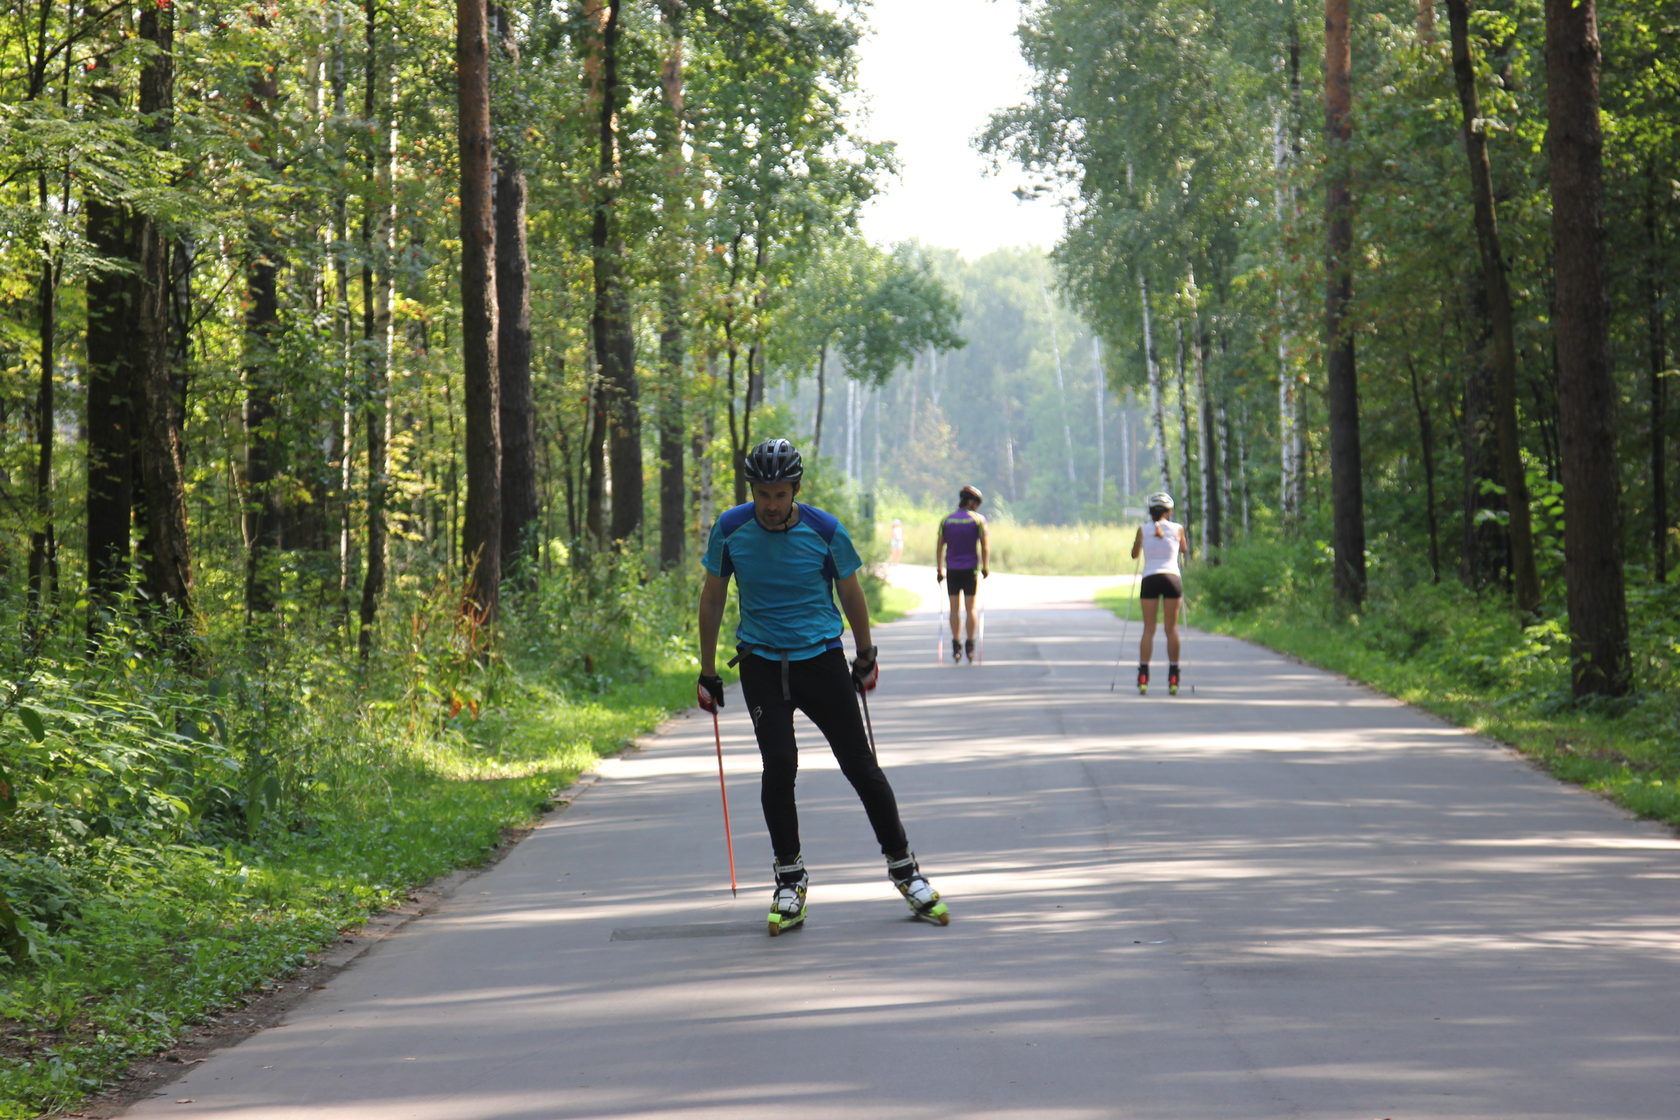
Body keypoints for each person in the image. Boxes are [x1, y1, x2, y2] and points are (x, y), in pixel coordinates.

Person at [696, 437, 948, 934]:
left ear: (795, 489)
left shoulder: (825, 530)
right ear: (753, 490)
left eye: (780, 494)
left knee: (860, 766)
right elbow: (711, 600)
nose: (771, 504)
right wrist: (708, 671)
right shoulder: (730, 529)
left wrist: (866, 652)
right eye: (763, 493)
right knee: (779, 767)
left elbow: (851, 594)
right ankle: (789, 881)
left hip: (822, 660)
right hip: (761, 663)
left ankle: (906, 870)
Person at [1130, 491, 1190, 695]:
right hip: (1172, 579)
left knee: (1148, 629)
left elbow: (1134, 554)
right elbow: (1183, 549)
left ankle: (1143, 675)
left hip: (1151, 579)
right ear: (1169, 511)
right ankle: (1174, 675)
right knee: (1171, 629)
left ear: (1150, 512)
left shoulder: (1142, 529)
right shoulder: (1178, 528)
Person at [934, 485, 989, 663]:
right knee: (970, 608)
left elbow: (940, 546)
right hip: (970, 570)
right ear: (972, 502)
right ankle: (970, 645)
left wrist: (939, 568)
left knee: (954, 608)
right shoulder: (978, 520)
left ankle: (956, 644)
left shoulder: (946, 520)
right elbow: (985, 546)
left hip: (952, 570)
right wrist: (985, 567)